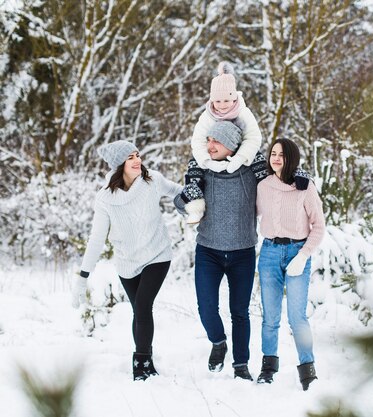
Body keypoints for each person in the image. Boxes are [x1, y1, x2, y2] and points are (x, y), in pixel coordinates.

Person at [71, 140, 183, 381]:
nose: (137, 160)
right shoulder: (106, 199)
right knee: (139, 312)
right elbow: (97, 238)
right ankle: (147, 357)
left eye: (137, 155)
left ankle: (141, 363)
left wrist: (190, 203)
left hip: (157, 254)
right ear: (119, 164)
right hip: (127, 263)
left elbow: (177, 192)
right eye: (131, 157)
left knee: (143, 306)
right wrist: (83, 276)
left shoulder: (152, 180)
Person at [174, 121, 259, 381]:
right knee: (206, 306)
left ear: (232, 145)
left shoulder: (251, 171)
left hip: (242, 252)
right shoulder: (202, 169)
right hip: (208, 250)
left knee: (240, 311)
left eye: (216, 141)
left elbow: (281, 182)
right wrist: (186, 195)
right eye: (208, 139)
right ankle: (218, 341)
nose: (209, 145)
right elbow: (180, 203)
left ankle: (241, 364)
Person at [255, 138, 326, 391]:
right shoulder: (262, 186)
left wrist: (304, 255)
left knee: (297, 318)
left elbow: (319, 226)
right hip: (270, 253)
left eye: (281, 155)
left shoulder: (305, 188)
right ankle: (268, 367)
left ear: (291, 159)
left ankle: (308, 371)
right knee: (270, 317)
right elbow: (249, 214)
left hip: (297, 252)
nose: (275, 158)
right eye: (273, 153)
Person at [181, 61, 263, 224]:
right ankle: (196, 206)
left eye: (226, 101)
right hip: (212, 153)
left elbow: (253, 138)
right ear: (212, 101)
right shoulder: (208, 115)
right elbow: (197, 140)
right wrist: (206, 162)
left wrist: (240, 158)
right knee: (193, 168)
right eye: (217, 101)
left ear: (234, 98)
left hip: (240, 151)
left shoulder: (243, 113)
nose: (222, 106)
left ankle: (264, 201)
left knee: (260, 162)